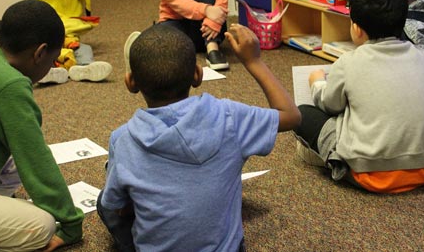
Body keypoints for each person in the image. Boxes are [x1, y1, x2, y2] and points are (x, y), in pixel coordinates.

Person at [97, 23, 301, 251]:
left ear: (130, 83)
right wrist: (254, 61)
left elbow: (118, 207)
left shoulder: (122, 139)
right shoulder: (230, 117)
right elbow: (291, 116)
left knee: (105, 200)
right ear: (197, 74)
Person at [294, 0, 424, 194]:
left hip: (369, 173)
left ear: (356, 28)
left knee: (302, 114)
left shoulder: (348, 61)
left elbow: (329, 105)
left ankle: (329, 159)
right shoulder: (421, 55)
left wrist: (317, 82)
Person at [0, 0, 84, 251]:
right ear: (40, 53)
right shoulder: (11, 86)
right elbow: (36, 160)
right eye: (53, 60)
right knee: (40, 225)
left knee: (11, 164)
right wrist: (70, 223)